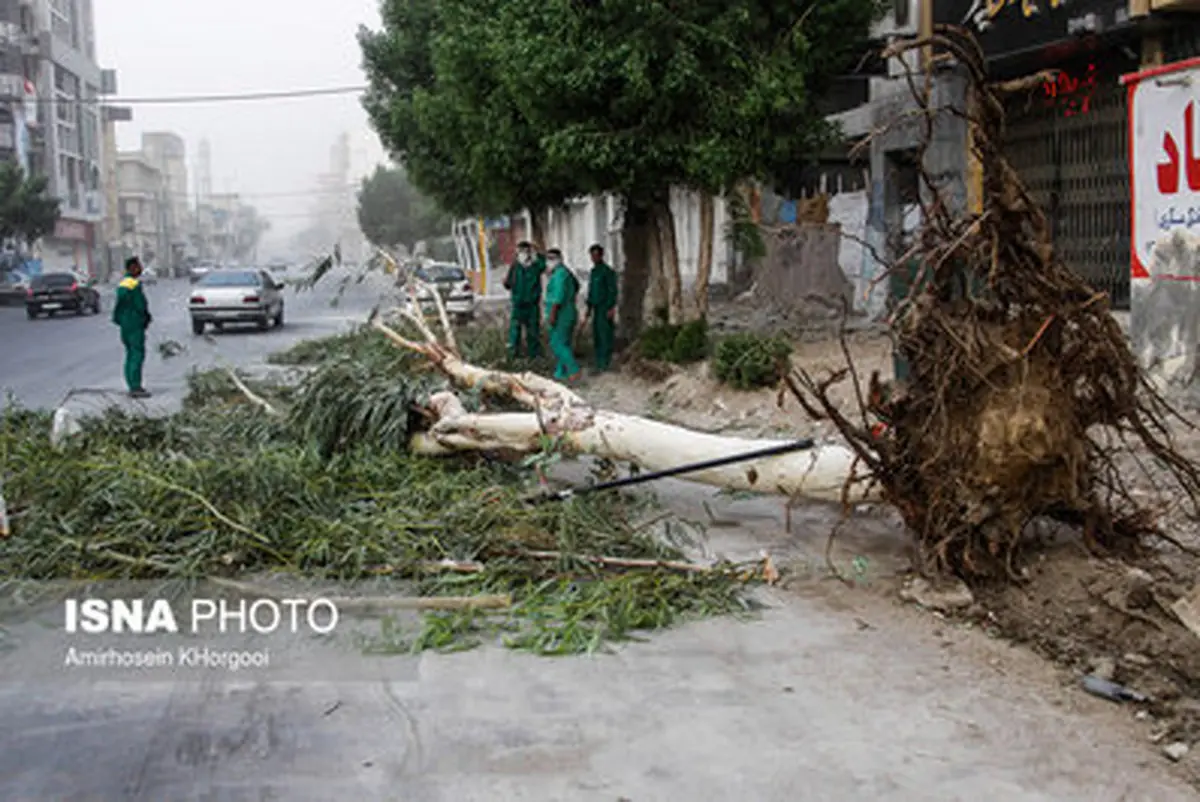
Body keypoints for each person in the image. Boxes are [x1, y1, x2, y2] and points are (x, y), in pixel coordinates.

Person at [112, 256, 153, 399]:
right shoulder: (134, 285)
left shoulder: (122, 284)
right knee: (137, 354)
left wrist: (120, 320)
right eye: (138, 266)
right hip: (135, 324)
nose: (141, 269)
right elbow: (140, 305)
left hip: (125, 325)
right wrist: (146, 317)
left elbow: (117, 308)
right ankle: (136, 387)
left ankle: (131, 384)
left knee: (130, 354)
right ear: (132, 268)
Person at [543, 248, 582, 383]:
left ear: (558, 260)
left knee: (557, 343)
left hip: (561, 314)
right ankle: (561, 373)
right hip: (569, 311)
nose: (548, 262)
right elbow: (576, 286)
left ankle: (573, 369)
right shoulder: (566, 273)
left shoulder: (559, 275)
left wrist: (552, 314)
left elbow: (557, 298)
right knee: (565, 343)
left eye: (551, 259)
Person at [503, 240, 546, 358]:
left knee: (533, 331)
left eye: (526, 251)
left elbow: (544, 265)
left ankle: (534, 356)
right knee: (515, 332)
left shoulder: (535, 266)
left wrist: (537, 251)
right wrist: (506, 283)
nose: (523, 254)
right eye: (520, 251)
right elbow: (508, 283)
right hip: (518, 305)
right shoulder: (515, 266)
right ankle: (513, 355)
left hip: (532, 305)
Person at [584, 244, 618, 371]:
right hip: (596, 308)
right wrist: (588, 308)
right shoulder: (594, 272)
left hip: (604, 307)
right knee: (597, 335)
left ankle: (605, 362)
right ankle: (598, 362)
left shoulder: (607, 272)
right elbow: (591, 291)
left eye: (596, 255)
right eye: (592, 255)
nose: (593, 258)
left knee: (605, 335)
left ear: (601, 256)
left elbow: (612, 291)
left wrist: (611, 307)